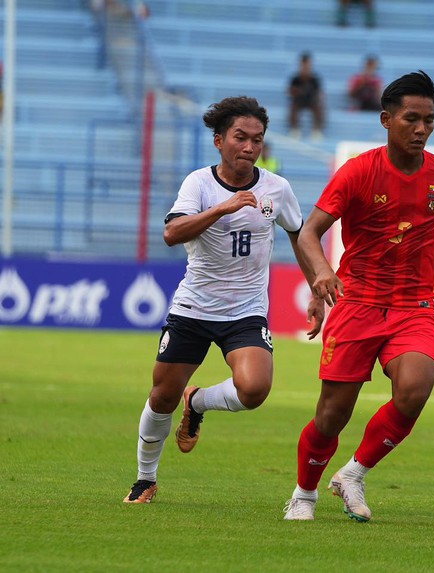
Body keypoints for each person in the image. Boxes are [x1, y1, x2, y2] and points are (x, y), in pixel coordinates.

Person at [283, 71, 434, 522]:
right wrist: (322, 272)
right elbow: (310, 232)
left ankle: (353, 472)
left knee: (414, 390)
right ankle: (304, 494)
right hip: (357, 304)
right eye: (412, 119)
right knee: (332, 416)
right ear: (386, 119)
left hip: (414, 306)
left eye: (429, 120)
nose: (422, 129)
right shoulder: (357, 172)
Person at [123, 96, 324, 504]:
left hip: (246, 310)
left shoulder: (276, 189)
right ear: (219, 140)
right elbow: (172, 233)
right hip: (194, 308)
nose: (250, 148)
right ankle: (145, 478)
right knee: (161, 396)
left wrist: (316, 287)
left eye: (257, 140)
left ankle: (198, 401)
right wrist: (224, 207)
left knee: (254, 389)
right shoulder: (198, 183)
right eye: (240, 138)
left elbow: (299, 235)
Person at [287, 52, 325, 141]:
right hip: (299, 101)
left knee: (319, 108)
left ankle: (317, 130)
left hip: (312, 101)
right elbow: (290, 92)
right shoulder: (296, 79)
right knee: (293, 107)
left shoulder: (315, 79)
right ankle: (295, 129)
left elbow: (319, 93)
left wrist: (318, 99)